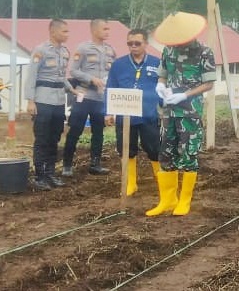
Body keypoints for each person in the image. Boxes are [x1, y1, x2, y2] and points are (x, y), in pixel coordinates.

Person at [146, 12, 216, 217]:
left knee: (188, 154)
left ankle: (184, 201)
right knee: (165, 153)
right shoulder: (168, 50)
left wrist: (184, 94)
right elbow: (163, 74)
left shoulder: (204, 52)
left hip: (190, 111)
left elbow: (209, 83)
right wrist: (160, 87)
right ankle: (167, 200)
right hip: (168, 111)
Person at [104, 28, 161, 196]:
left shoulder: (157, 63)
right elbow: (111, 87)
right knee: (126, 149)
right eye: (130, 43)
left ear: (146, 44)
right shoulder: (118, 64)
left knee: (154, 148)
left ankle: (161, 180)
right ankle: (131, 183)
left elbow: (163, 87)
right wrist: (108, 112)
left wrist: (166, 109)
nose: (133, 46)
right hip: (125, 115)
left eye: (137, 43)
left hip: (149, 114)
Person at [25, 19, 76, 190]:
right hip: (43, 100)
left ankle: (50, 174)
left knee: (55, 137)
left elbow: (61, 77)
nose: (67, 34)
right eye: (64, 31)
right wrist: (30, 100)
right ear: (53, 32)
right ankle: (39, 176)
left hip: (59, 101)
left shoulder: (65, 52)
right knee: (42, 138)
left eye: (68, 31)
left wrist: (71, 89)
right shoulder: (40, 51)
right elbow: (32, 76)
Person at [63, 19, 116, 176]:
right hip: (84, 94)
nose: (108, 31)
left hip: (100, 97)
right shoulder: (83, 48)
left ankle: (95, 164)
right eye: (104, 29)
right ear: (94, 30)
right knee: (76, 130)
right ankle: (67, 165)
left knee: (98, 131)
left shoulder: (110, 50)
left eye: (108, 29)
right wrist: (91, 79)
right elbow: (73, 71)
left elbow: (113, 71)